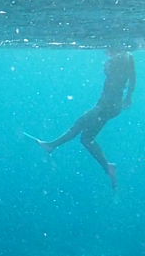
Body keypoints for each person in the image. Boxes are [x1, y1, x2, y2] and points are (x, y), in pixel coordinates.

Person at [30, 50, 136, 189]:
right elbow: (132, 78)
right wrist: (128, 97)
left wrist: (109, 66)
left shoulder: (119, 59)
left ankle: (51, 145)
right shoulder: (127, 56)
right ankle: (108, 167)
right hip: (111, 106)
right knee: (86, 139)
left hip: (106, 106)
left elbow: (115, 79)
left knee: (78, 125)